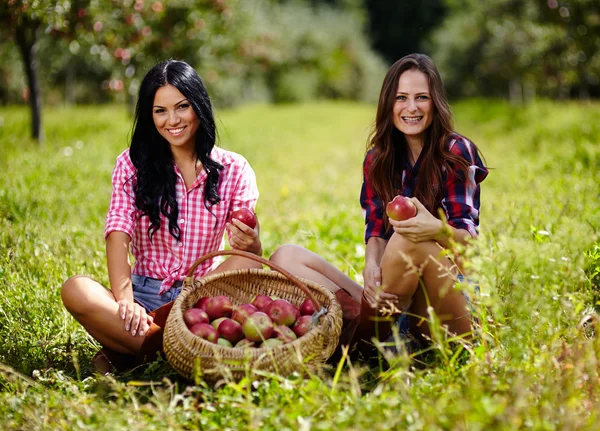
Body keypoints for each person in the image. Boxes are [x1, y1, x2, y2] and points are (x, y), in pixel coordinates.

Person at [270, 53, 488, 352]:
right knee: (286, 257)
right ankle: (376, 337)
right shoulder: (378, 159)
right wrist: (371, 265)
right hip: (394, 303)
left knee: (406, 239)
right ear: (389, 104)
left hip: (447, 311)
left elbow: (471, 249)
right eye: (401, 98)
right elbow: (375, 231)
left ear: (435, 102)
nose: (411, 108)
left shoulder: (454, 151)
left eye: (421, 97)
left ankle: (357, 346)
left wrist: (435, 230)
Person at [61, 59, 263, 372]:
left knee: (249, 261)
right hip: (144, 296)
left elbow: (250, 255)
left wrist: (252, 242)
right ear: (149, 114)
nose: (172, 120)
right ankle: (167, 347)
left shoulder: (234, 169)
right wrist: (126, 301)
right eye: (160, 111)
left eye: (182, 107)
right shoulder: (132, 165)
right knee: (76, 289)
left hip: (201, 296)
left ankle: (139, 350)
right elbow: (118, 233)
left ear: (198, 105)